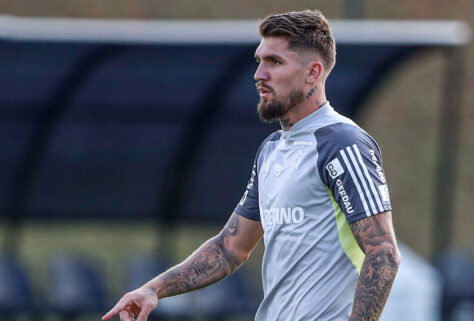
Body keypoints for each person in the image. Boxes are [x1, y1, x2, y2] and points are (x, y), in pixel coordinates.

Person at [102, 9, 400, 321]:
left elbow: (383, 253)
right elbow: (230, 248)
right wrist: (153, 289)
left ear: (313, 73)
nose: (259, 74)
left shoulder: (342, 143)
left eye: (274, 62)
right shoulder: (271, 149)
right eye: (259, 61)